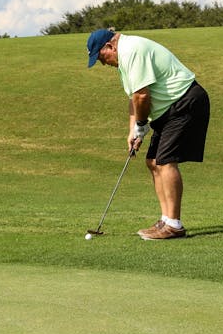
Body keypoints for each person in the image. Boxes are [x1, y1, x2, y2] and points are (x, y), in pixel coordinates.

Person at [86, 28, 210, 240]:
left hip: (184, 102)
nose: (103, 63)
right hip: (168, 110)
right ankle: (165, 220)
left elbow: (143, 96)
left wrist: (142, 125)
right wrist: (134, 131)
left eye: (101, 57)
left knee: (165, 161)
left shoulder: (132, 51)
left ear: (110, 46)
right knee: (153, 162)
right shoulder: (124, 58)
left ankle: (174, 225)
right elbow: (134, 98)